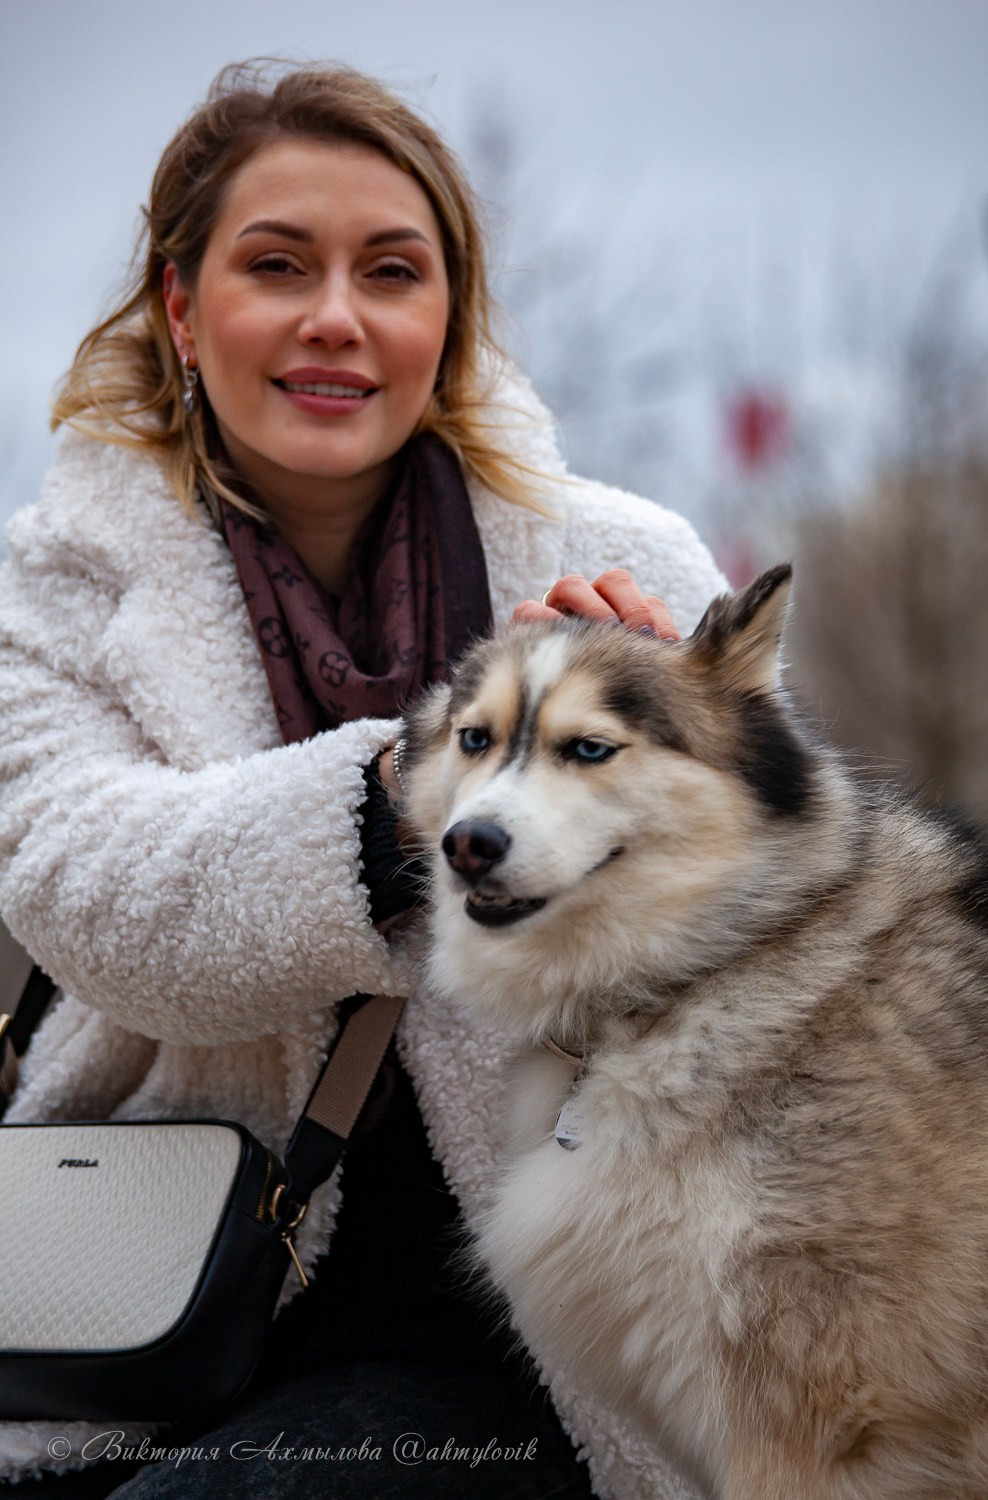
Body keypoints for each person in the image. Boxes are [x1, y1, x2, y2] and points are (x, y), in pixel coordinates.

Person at [0, 61, 726, 1500]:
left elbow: (775, 964)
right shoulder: (54, 594)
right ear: (181, 309)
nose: (338, 316)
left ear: (445, 320)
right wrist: (455, 763)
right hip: (142, 1308)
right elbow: (99, 906)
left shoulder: (637, 573)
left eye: (393, 270)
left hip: (547, 1331)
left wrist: (658, 782)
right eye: (278, 265)